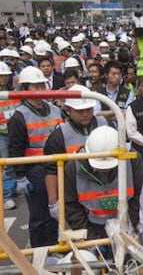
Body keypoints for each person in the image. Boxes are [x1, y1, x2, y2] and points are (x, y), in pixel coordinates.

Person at [8, 66, 64, 247]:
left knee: (56, 212)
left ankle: (55, 246)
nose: (40, 90)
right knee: (40, 215)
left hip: (58, 167)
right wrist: (20, 175)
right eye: (35, 86)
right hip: (36, 170)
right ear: (24, 89)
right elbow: (15, 148)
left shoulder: (55, 110)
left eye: (42, 85)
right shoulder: (19, 116)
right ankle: (40, 251)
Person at [64, 126, 143, 240]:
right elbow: (71, 206)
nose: (104, 169)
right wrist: (89, 237)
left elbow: (139, 197)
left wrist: (129, 228)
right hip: (90, 225)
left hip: (126, 223)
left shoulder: (132, 159)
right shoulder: (73, 167)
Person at [44, 85, 108, 220]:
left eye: (88, 110)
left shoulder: (105, 126)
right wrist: (53, 202)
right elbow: (51, 170)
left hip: (107, 190)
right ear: (68, 110)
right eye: (80, 111)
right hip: (74, 195)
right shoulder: (59, 135)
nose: (85, 114)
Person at [0, 62, 19, 210]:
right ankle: (7, 195)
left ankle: (12, 187)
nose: (3, 78)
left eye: (5, 75)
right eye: (1, 76)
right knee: (6, 165)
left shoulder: (14, 92)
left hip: (14, 132)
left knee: (14, 162)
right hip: (2, 134)